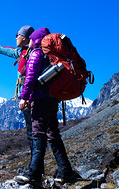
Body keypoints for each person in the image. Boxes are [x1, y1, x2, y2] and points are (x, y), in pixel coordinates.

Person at [14, 27, 75, 187]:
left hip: (40, 100)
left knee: (38, 134)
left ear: (35, 39)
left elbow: (31, 76)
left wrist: (24, 97)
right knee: (53, 134)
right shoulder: (52, 55)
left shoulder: (37, 53)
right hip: (53, 99)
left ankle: (34, 174)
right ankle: (65, 171)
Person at [0, 25, 34, 140]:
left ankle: (36, 157)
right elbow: (9, 51)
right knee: (39, 132)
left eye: (17, 35)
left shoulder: (31, 54)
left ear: (24, 37)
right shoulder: (24, 53)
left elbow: (31, 77)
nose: (16, 38)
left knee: (33, 133)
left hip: (29, 100)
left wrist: (25, 97)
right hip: (29, 99)